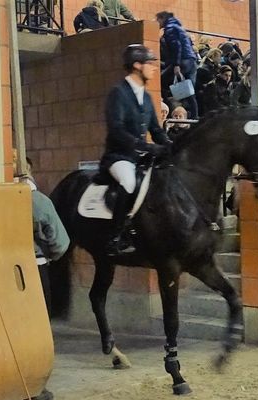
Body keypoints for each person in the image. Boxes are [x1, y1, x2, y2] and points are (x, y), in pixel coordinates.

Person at [99, 44, 171, 256]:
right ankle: (115, 236)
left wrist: (170, 146)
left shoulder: (147, 97)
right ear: (137, 65)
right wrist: (145, 146)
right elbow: (116, 129)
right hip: (118, 157)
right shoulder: (118, 93)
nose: (154, 68)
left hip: (140, 157)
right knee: (129, 182)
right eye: (151, 64)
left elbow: (156, 130)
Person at [13, 155, 69, 400]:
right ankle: (34, 388)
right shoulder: (38, 201)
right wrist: (51, 256)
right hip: (34, 268)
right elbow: (60, 242)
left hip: (5, 271)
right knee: (38, 329)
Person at [156, 11, 198, 119]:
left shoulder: (170, 29)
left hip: (182, 61)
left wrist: (176, 65)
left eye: (158, 20)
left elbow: (177, 47)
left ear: (162, 19)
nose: (157, 23)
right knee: (189, 91)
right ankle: (195, 117)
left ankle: (164, 108)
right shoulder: (179, 27)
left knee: (160, 80)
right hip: (191, 61)